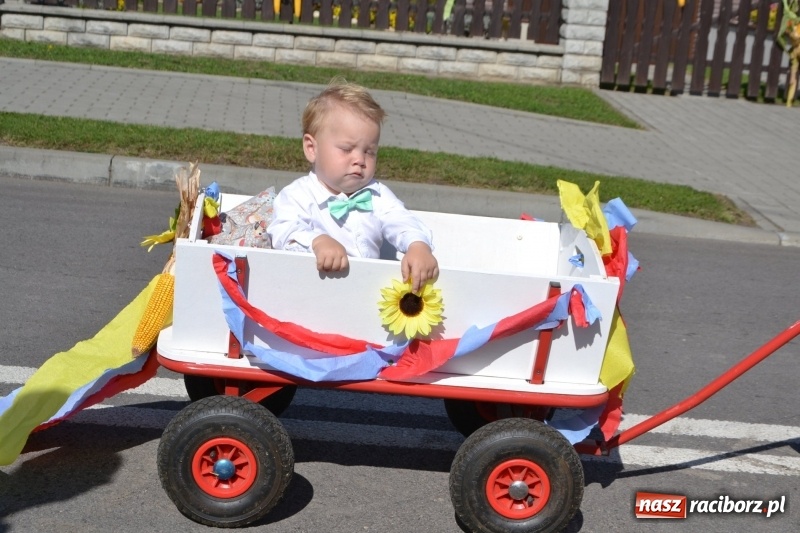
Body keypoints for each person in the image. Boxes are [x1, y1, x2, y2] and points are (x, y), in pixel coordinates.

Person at [268, 80, 438, 293]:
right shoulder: (298, 195)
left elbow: (401, 219)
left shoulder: (377, 195)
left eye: (370, 152)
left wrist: (417, 245)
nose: (359, 159)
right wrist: (317, 241)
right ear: (312, 148)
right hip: (308, 291)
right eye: (347, 149)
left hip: (366, 293)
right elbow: (283, 230)